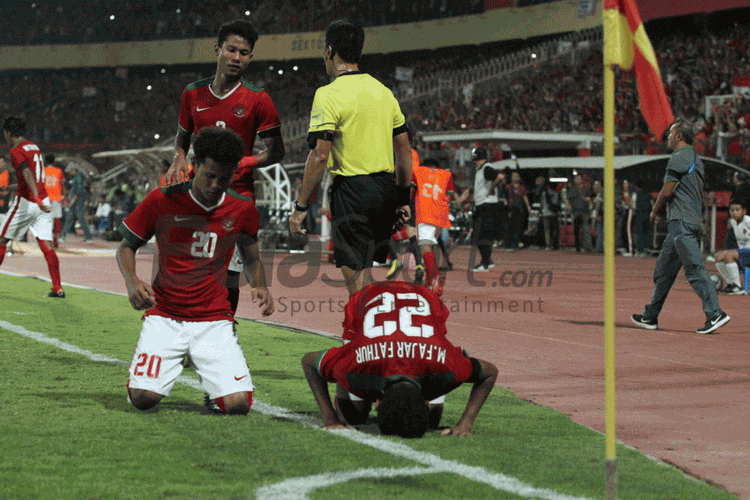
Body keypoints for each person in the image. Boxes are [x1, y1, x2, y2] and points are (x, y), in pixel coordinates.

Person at [116, 127, 273, 414]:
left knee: (237, 405)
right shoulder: (161, 200)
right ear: (194, 166)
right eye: (209, 176)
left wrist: (261, 286)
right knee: (143, 398)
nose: (215, 185)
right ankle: (152, 367)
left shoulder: (242, 208)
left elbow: (251, 258)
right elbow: (126, 247)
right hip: (164, 315)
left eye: (224, 179)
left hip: (213, 319)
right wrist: (132, 281)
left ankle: (212, 370)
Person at [166, 18, 285, 315]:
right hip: (198, 193)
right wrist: (179, 158)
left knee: (229, 271)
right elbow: (182, 139)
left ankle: (224, 326)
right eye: (231, 50)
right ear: (217, 49)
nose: (237, 57)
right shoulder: (192, 93)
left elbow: (277, 151)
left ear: (251, 58)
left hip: (237, 195)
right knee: (194, 265)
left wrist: (246, 161)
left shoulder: (258, 99)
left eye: (244, 53)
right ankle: (188, 324)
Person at [288, 19, 412, 296]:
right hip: (385, 189)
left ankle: (363, 335)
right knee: (364, 272)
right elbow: (403, 147)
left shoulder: (328, 94)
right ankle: (372, 332)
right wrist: (403, 199)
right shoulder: (383, 92)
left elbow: (320, 156)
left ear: (329, 51)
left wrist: (300, 206)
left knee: (354, 280)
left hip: (353, 190)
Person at [300, 281, 498, 437]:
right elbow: (490, 371)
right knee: (354, 415)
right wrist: (330, 419)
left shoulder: (443, 368)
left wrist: (331, 420)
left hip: (422, 304)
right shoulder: (357, 369)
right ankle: (344, 358)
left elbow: (309, 361)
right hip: (367, 298)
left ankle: (342, 362)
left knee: (429, 419)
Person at [631, 119, 730, 335]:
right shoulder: (696, 159)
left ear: (679, 137)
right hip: (688, 221)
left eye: (670, 133)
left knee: (694, 268)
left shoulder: (679, 157)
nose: (666, 137)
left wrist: (655, 211)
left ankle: (715, 313)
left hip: (682, 223)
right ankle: (650, 315)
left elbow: (667, 191)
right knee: (663, 271)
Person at [0, 116, 64, 298]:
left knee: (2, 239)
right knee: (46, 244)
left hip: (28, 202)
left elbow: (27, 173)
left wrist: (34, 197)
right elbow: (32, 175)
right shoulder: (33, 146)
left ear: (9, 133)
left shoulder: (15, 150)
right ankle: (58, 288)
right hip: (44, 202)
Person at [411, 158, 468, 295]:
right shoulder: (446, 175)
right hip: (442, 216)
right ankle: (440, 283)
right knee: (438, 249)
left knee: (425, 247)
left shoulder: (418, 172)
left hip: (425, 213)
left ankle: (430, 282)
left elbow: (411, 193)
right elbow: (450, 197)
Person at [470, 146, 504, 271]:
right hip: (481, 205)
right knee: (480, 235)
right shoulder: (480, 170)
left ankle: (485, 262)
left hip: (487, 205)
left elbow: (500, 177)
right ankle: (487, 261)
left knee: (482, 235)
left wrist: (491, 189)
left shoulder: (486, 168)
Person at [713, 199, 750, 295]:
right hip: (743, 253)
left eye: (737, 210)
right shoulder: (733, 222)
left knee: (728, 255)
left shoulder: (748, 221)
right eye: (732, 210)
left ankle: (738, 287)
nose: (734, 212)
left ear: (744, 211)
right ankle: (731, 284)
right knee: (718, 256)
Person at [59, 163, 93, 244]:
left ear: (73, 169)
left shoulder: (78, 177)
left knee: (80, 218)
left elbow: (79, 191)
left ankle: (89, 237)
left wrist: (72, 201)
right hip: (76, 201)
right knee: (69, 219)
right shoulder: (76, 177)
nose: (69, 173)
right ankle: (62, 236)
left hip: (78, 202)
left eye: (70, 171)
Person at [505, 171, 531, 252]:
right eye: (513, 176)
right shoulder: (508, 187)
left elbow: (525, 197)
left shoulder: (522, 187)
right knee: (510, 227)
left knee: (519, 227)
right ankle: (510, 244)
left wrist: (528, 207)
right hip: (510, 209)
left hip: (519, 209)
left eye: (516, 176)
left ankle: (516, 243)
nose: (515, 177)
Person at [44, 154, 65, 248]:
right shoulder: (59, 171)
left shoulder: (42, 171)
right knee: (57, 219)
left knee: (46, 219)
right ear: (54, 161)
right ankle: (55, 236)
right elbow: (62, 184)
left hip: (46, 198)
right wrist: (64, 196)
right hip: (56, 198)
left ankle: (47, 239)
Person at [566, 174, 590, 253]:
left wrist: (585, 198)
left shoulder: (586, 189)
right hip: (575, 211)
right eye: (577, 178)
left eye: (579, 178)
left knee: (586, 229)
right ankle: (577, 247)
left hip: (584, 211)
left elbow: (589, 198)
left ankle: (587, 247)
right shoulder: (572, 189)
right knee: (576, 230)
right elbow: (568, 199)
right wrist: (568, 206)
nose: (578, 180)